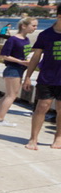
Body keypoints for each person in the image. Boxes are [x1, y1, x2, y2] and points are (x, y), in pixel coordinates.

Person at [22, 8, 61, 150]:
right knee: (41, 107)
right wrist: (27, 76)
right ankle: (33, 139)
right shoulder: (46, 35)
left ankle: (58, 137)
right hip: (47, 77)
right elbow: (36, 57)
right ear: (59, 16)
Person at [0, 16, 38, 128]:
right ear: (24, 26)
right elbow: (4, 55)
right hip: (13, 70)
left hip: (19, 70)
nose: (35, 28)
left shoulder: (26, 39)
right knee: (11, 95)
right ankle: (0, 119)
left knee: (7, 95)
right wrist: (20, 61)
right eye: (33, 25)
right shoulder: (13, 39)